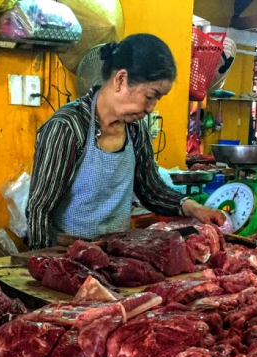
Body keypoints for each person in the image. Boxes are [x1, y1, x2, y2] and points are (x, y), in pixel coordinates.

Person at [26, 34, 225, 249]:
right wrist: (45, 264)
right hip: (70, 258)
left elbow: (150, 189)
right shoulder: (68, 127)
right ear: (120, 80)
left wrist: (193, 207)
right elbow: (40, 209)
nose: (151, 108)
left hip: (118, 258)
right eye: (150, 96)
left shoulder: (135, 128)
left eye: (157, 100)